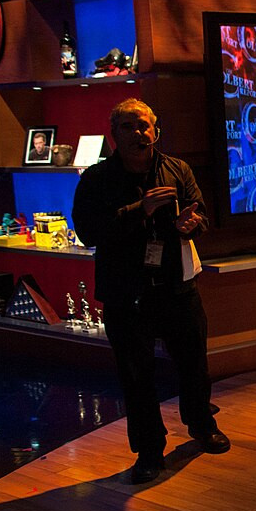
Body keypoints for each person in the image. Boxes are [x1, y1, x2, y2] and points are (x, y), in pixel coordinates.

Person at [72, 99, 229, 484]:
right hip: (127, 295)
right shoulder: (96, 180)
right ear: (115, 134)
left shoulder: (178, 169)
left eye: (144, 126)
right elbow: (88, 232)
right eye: (128, 126)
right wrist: (138, 210)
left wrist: (191, 223)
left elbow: (202, 215)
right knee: (136, 376)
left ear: (155, 131)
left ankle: (201, 425)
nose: (138, 133)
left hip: (177, 287)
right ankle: (148, 450)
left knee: (194, 364)